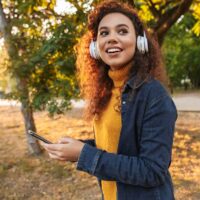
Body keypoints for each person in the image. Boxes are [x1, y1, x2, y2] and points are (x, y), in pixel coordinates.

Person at [41, 1, 177, 200]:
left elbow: (152, 170)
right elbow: (116, 145)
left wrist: (84, 155)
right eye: (104, 33)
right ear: (95, 47)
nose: (112, 38)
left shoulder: (154, 95)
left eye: (122, 31)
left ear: (140, 42)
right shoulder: (106, 90)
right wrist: (78, 146)